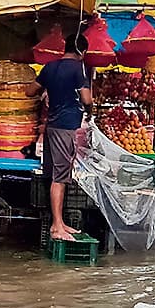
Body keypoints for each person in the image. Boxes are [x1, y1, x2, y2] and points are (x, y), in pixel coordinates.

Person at [35, 21, 94, 242]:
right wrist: (90, 109)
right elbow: (86, 98)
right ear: (82, 52)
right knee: (60, 177)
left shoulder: (50, 67)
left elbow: (31, 90)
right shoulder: (78, 68)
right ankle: (57, 226)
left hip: (51, 126)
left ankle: (59, 223)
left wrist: (47, 92)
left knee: (54, 174)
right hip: (66, 126)